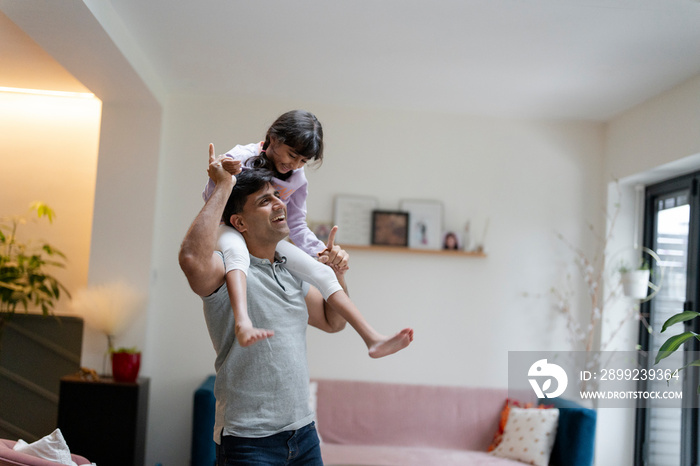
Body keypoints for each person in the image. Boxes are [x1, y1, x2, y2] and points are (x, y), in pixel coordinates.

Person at [203, 110, 413, 358]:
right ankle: (243, 323)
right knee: (237, 256)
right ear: (273, 138)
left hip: (266, 237)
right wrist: (221, 177)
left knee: (323, 272)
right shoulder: (240, 157)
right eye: (292, 155)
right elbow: (209, 201)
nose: (294, 165)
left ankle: (372, 338)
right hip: (229, 227)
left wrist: (321, 252)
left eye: (303, 161)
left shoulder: (298, 180)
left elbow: (297, 225)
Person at [180, 160, 350, 464]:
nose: (278, 203)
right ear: (240, 223)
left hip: (304, 434)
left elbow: (333, 321)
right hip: (248, 441)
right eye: (264, 200)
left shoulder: (291, 273)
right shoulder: (226, 271)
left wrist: (337, 273)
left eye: (277, 195)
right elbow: (192, 257)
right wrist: (223, 186)